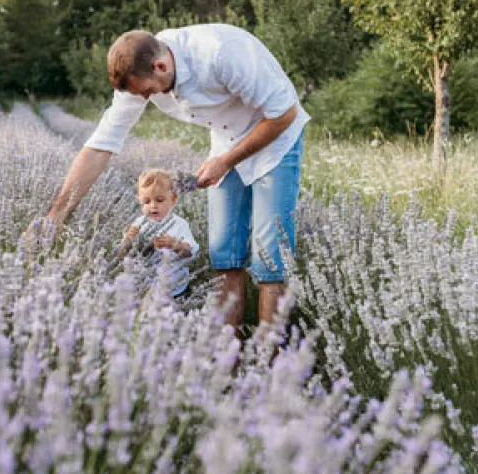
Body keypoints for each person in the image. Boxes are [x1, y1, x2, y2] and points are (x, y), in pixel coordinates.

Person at [32, 23, 308, 335]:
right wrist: (56, 215)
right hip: (227, 141)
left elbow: (283, 114)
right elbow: (100, 146)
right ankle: (226, 363)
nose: (146, 98)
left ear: (161, 65)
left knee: (269, 260)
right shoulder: (139, 73)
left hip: (277, 139)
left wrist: (226, 161)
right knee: (224, 255)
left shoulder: (219, 53)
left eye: (148, 91)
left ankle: (272, 366)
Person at [117, 168, 198, 298]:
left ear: (172, 199)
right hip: (146, 288)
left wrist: (176, 245)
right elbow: (123, 253)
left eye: (159, 200)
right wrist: (128, 239)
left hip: (175, 288)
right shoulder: (139, 223)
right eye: (147, 201)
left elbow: (191, 252)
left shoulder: (179, 224)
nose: (153, 206)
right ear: (140, 202)